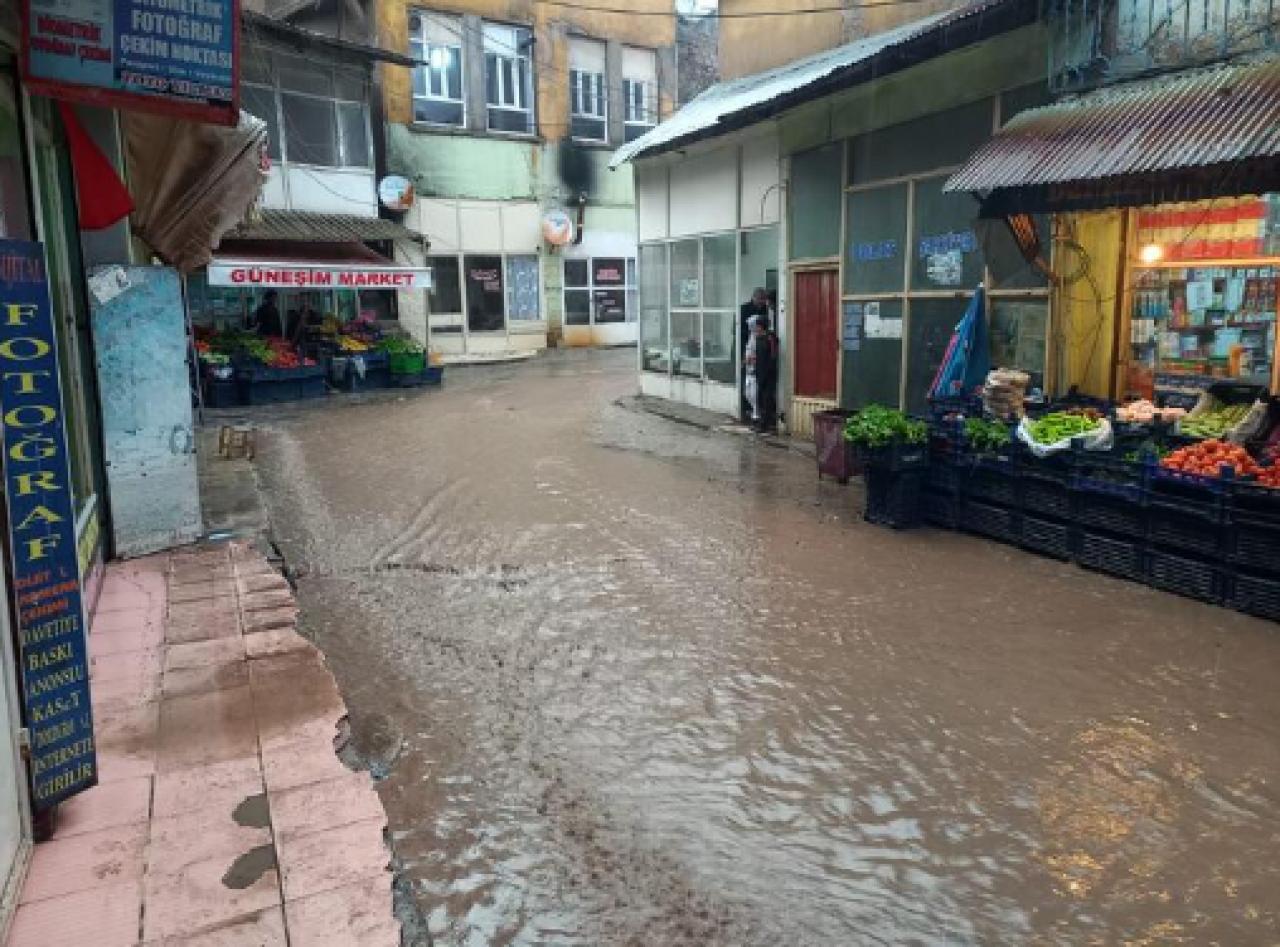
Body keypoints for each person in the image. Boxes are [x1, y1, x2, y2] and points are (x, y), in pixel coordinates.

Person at [739, 288, 769, 417]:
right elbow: (737, 330)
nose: (763, 303)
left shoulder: (765, 310)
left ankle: (757, 410)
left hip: (759, 349)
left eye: (764, 300)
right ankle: (745, 407)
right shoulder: (744, 309)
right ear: (755, 298)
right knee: (745, 381)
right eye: (761, 300)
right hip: (745, 346)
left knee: (757, 383)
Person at [749, 314, 780, 433]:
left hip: (768, 374)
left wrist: (768, 372)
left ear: (762, 326)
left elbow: (773, 356)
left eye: (757, 325)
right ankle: (762, 422)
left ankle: (766, 424)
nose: (756, 328)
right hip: (759, 373)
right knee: (760, 398)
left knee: (767, 399)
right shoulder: (758, 338)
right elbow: (758, 355)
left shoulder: (770, 338)